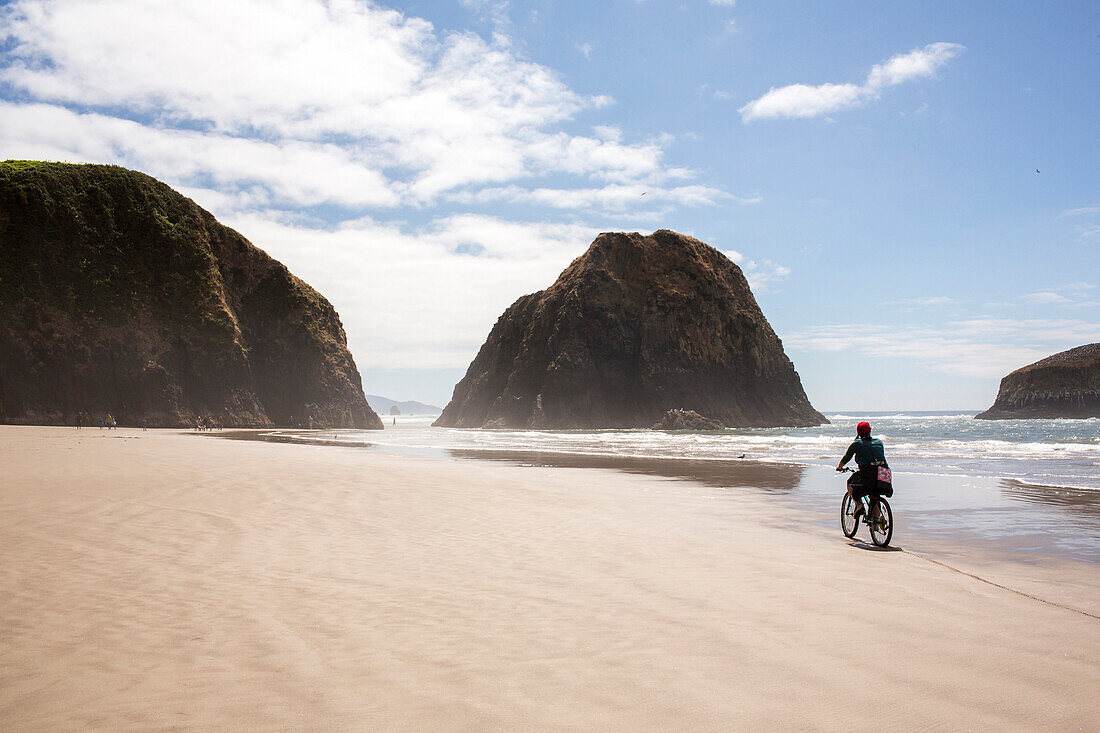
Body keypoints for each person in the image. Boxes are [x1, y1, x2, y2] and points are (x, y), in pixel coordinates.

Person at [836, 421, 888, 520]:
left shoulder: (856, 443)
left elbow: (847, 457)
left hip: (867, 473)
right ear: (870, 431)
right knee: (874, 494)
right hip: (882, 473)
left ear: (858, 433)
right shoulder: (879, 442)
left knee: (850, 484)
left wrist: (840, 467)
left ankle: (859, 505)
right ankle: (876, 523)